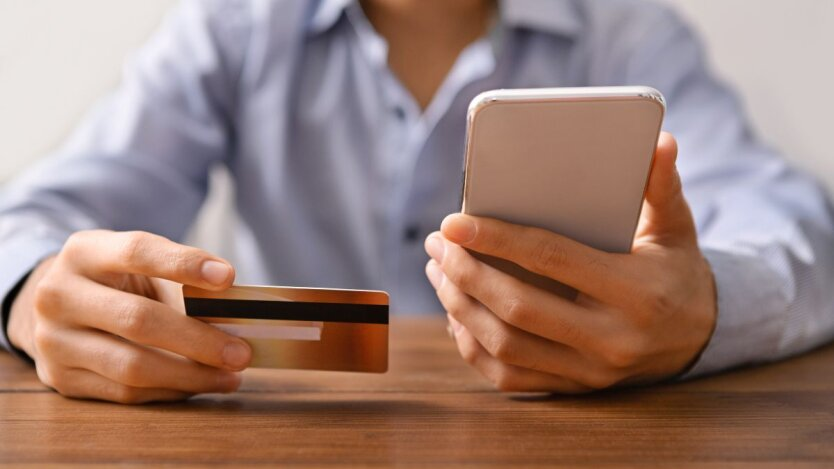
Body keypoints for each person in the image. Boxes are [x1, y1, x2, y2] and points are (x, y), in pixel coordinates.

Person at [1, 0, 833, 404]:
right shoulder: (235, 26)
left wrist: (708, 307)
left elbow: (797, 224)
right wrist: (33, 295)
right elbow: (28, 222)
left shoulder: (626, 26)